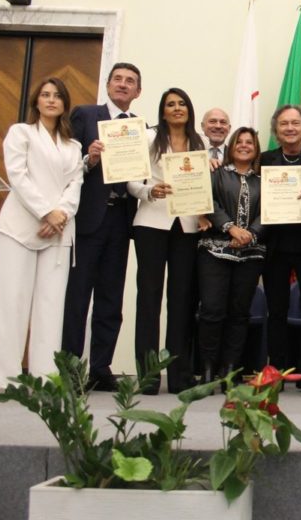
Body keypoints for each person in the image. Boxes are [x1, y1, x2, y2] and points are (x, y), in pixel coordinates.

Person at [0, 78, 83, 389]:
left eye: (57, 96)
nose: (51, 100)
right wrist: (46, 211)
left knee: (50, 306)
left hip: (59, 231)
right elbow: (18, 176)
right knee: (12, 301)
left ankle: (46, 375)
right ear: (36, 102)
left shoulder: (73, 146)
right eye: (45, 95)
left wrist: (60, 214)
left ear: (64, 104)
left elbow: (75, 185)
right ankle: (4, 378)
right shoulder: (21, 133)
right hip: (20, 228)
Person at [62, 62, 142, 392]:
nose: (123, 84)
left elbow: (139, 176)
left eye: (130, 81)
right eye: (118, 79)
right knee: (77, 296)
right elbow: (65, 166)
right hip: (89, 219)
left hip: (120, 220)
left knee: (111, 297)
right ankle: (69, 368)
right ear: (108, 85)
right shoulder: (85, 115)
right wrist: (90, 159)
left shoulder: (139, 128)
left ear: (138, 91)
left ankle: (100, 368)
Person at [127, 87, 208, 394]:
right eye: (171, 104)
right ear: (162, 111)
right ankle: (148, 377)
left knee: (182, 300)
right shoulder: (149, 138)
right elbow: (131, 179)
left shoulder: (199, 142)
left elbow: (203, 184)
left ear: (189, 109)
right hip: (151, 221)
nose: (177, 108)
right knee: (149, 298)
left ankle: (178, 376)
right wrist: (148, 191)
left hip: (187, 225)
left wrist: (204, 213)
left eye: (182, 103)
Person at [197, 127, 266, 386]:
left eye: (250, 142)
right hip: (215, 251)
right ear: (231, 146)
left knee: (239, 313)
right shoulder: (216, 173)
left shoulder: (264, 180)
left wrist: (250, 234)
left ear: (256, 149)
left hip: (250, 254)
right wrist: (230, 228)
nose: (244, 146)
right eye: (240, 142)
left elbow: (269, 211)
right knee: (212, 311)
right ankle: (207, 370)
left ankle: (229, 371)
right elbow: (209, 202)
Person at [259, 105, 301, 377]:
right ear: (276, 130)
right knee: (277, 311)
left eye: (295, 123)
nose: (290, 128)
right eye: (284, 124)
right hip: (275, 247)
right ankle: (277, 371)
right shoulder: (264, 160)